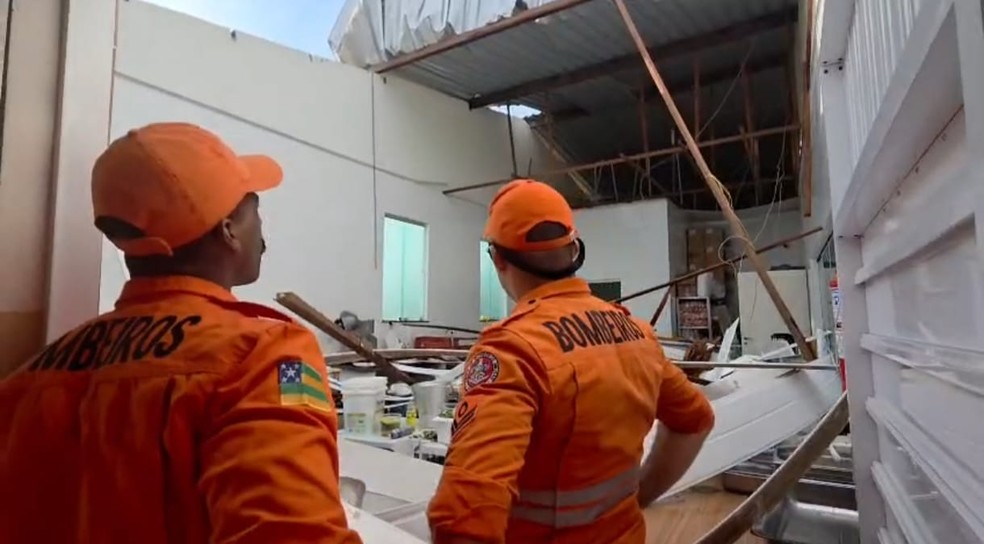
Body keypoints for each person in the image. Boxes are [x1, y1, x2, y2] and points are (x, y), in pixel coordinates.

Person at [0, 123, 362, 544]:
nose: (262, 230)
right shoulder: (269, 358)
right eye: (254, 210)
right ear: (228, 230)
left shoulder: (28, 380)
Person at [427, 179, 715, 544]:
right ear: (573, 249)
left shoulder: (513, 349)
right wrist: (637, 496)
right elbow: (695, 420)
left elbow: (465, 517)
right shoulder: (636, 334)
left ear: (498, 258)